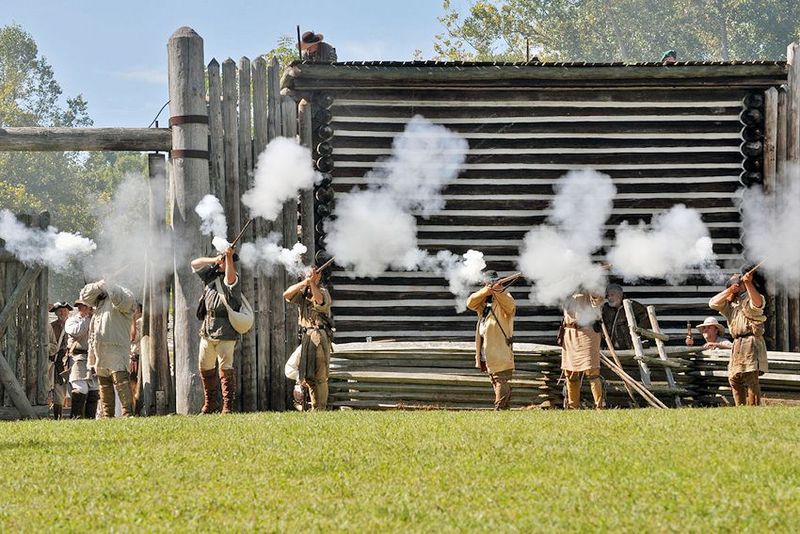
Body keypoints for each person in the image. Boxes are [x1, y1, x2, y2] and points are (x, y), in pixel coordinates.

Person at [192, 247, 241, 414]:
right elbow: (194, 263)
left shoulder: (233, 279)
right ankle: (210, 404)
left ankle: (227, 407)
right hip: (208, 329)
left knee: (225, 369)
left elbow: (229, 277)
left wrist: (227, 257)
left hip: (225, 330)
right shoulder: (210, 277)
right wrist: (215, 260)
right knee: (205, 367)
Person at [708, 270, 767, 406]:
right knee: (734, 379)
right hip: (737, 343)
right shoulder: (730, 305)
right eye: (737, 284)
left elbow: (757, 303)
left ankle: (754, 409)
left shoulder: (751, 298)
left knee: (751, 376)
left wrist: (748, 283)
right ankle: (740, 408)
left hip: (751, 341)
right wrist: (729, 290)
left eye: (739, 284)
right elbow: (713, 303)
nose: (739, 286)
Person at [79, 280, 136, 417]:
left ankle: (128, 414)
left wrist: (111, 284)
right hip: (100, 348)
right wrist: (100, 284)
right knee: (104, 383)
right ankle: (108, 416)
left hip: (116, 346)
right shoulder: (100, 299)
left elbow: (121, 301)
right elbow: (84, 296)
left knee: (121, 380)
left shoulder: (126, 294)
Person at [283, 266, 334, 411]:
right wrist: (305, 282)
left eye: (313, 275)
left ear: (318, 277)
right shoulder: (303, 293)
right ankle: (312, 407)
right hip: (306, 336)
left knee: (320, 376)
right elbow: (286, 294)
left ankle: (320, 408)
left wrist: (312, 282)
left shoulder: (323, 291)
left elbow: (319, 300)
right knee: (308, 375)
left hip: (319, 335)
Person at [466, 271, 516, 410]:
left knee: (501, 378)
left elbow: (510, 307)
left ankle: (500, 408)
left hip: (499, 345)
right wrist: (486, 291)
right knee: (494, 378)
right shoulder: (484, 298)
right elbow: (470, 302)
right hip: (486, 346)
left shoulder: (505, 296)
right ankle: (503, 407)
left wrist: (498, 291)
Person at [560, 291, 605, 409]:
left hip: (587, 333)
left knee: (592, 371)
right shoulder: (568, 287)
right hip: (569, 332)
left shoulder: (590, 285)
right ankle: (573, 406)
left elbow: (598, 299)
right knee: (570, 372)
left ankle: (599, 406)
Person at [64, 299, 100, 418]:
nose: (84, 308)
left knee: (93, 390)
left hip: (93, 359)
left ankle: (90, 420)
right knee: (81, 388)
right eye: (82, 306)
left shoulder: (95, 319)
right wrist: (88, 319)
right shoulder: (72, 320)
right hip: (78, 358)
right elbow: (77, 331)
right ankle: (76, 418)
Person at [601, 284, 650, 350]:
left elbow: (645, 323)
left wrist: (637, 336)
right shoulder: (606, 309)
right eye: (608, 296)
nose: (609, 298)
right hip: (611, 348)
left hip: (630, 347)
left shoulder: (634, 307)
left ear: (620, 295)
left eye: (612, 295)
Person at [47, 302, 72, 419]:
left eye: (64, 310)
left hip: (71, 359)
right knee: (58, 389)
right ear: (56, 313)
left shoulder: (73, 324)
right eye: (60, 311)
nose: (62, 312)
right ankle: (58, 417)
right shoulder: (51, 326)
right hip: (57, 361)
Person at [129, 303, 143, 412]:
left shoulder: (139, 322)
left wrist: (132, 319)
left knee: (134, 388)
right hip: (135, 358)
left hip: (137, 358)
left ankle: (135, 410)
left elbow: (133, 337)